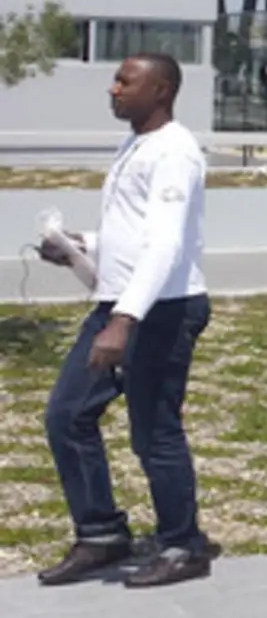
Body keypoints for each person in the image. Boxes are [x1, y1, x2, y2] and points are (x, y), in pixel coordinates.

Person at [35, 53, 215, 589]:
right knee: (67, 416)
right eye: (115, 80)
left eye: (125, 82)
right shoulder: (135, 143)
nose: (113, 89)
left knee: (154, 433)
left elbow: (165, 244)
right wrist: (77, 246)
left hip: (162, 310)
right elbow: (135, 233)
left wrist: (125, 321)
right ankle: (102, 535)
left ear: (160, 90)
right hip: (118, 304)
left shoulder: (175, 152)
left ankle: (183, 545)